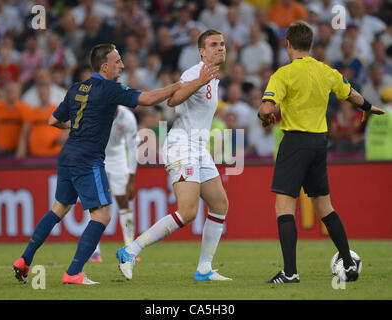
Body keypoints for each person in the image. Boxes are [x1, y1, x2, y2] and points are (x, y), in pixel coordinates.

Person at [12, 43, 218, 285]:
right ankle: (73, 273)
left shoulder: (77, 88)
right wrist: (180, 85)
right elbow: (149, 99)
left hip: (67, 156)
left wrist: (74, 126)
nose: (122, 65)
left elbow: (53, 120)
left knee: (58, 209)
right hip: (88, 159)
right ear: (105, 66)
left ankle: (24, 260)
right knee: (101, 216)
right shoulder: (109, 89)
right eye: (117, 61)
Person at [258, 21, 384, 283]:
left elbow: (267, 107)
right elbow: (351, 93)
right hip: (319, 143)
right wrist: (368, 107)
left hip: (295, 142)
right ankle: (349, 265)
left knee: (284, 206)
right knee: (325, 206)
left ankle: (290, 272)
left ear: (288, 44)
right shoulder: (326, 71)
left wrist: (265, 115)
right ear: (311, 44)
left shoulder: (284, 73)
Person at [116, 29, 231, 282]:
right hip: (182, 145)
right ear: (202, 51)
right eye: (214, 44)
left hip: (198, 147)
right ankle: (130, 250)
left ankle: (204, 268)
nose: (220, 48)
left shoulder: (212, 76)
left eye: (222, 44)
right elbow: (173, 101)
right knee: (188, 212)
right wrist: (198, 81)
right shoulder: (195, 73)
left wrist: (204, 81)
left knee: (220, 204)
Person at [90, 105, 139, 263]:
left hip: (118, 159)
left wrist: (131, 178)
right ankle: (94, 251)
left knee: (123, 201)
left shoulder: (127, 118)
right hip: (97, 157)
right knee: (96, 203)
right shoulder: (96, 111)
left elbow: (132, 149)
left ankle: (130, 248)